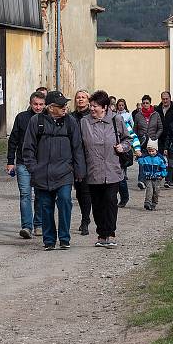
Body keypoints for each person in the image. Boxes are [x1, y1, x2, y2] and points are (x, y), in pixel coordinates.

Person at [23, 91, 86, 250]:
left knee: (65, 201)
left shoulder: (71, 122)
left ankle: (64, 238)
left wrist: (79, 170)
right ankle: (49, 241)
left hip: (64, 172)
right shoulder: (36, 122)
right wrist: (33, 168)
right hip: (42, 172)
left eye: (65, 105)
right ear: (51, 108)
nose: (65, 107)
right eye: (61, 105)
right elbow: (28, 148)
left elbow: (77, 147)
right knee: (46, 206)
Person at [80, 90, 132, 248]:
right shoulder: (84, 122)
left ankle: (110, 233)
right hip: (93, 169)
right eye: (91, 106)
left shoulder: (116, 120)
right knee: (96, 204)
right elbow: (79, 145)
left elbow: (128, 139)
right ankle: (101, 234)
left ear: (105, 107)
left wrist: (123, 147)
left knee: (110, 201)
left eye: (95, 106)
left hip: (112, 169)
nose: (92, 109)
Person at [7, 91, 46, 239]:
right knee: (25, 195)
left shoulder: (48, 118)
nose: (38, 107)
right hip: (23, 162)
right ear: (30, 103)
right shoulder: (22, 118)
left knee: (40, 195)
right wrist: (10, 161)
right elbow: (13, 141)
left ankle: (39, 224)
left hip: (41, 164)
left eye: (41, 104)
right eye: (35, 104)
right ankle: (26, 226)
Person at [71, 90, 93, 235]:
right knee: (78, 191)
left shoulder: (91, 117)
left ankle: (85, 220)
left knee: (85, 191)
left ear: (88, 100)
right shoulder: (70, 117)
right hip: (72, 157)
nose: (80, 100)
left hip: (87, 158)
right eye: (78, 97)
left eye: (83, 97)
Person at [114, 98, 141, 208]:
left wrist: (137, 149)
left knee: (121, 178)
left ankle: (124, 197)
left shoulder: (122, 122)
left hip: (120, 154)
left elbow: (132, 137)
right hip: (108, 156)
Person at [133, 94, 163, 190]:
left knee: (152, 161)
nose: (145, 105)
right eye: (144, 103)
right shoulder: (138, 115)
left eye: (147, 103)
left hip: (152, 142)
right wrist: (136, 141)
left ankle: (151, 180)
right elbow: (135, 130)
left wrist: (155, 137)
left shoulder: (155, 114)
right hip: (142, 142)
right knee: (142, 161)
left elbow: (160, 128)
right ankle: (141, 181)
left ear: (150, 104)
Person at [137, 140, 167, 211]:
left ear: (156, 150)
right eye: (149, 151)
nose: (151, 153)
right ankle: (147, 203)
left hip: (157, 177)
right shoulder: (145, 157)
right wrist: (139, 156)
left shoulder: (160, 158)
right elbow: (140, 162)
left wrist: (163, 175)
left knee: (156, 191)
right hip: (148, 177)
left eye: (152, 151)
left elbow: (164, 168)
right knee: (149, 189)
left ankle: (154, 203)